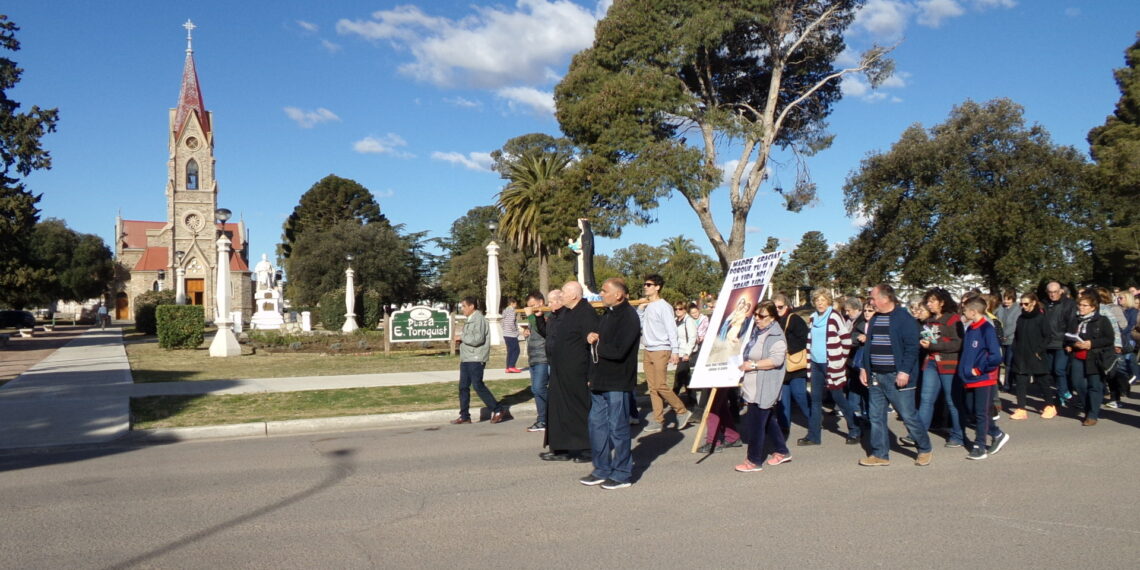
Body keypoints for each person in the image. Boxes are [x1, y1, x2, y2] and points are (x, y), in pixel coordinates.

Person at [858, 284, 933, 467]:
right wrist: (864, 368)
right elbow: (869, 346)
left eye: (873, 298)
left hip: (897, 376)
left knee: (908, 415)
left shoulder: (904, 318)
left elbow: (911, 347)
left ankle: (924, 448)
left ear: (885, 299)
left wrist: (904, 371)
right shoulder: (875, 319)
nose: (871, 302)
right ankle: (880, 454)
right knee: (876, 416)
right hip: (876, 375)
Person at [580, 278, 641, 490]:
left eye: (605, 291)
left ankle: (623, 473)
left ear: (619, 294)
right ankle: (601, 468)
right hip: (599, 379)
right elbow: (599, 342)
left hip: (618, 380)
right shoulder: (607, 314)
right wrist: (592, 336)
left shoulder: (629, 317)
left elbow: (619, 350)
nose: (601, 294)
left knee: (618, 428)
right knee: (596, 426)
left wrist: (598, 342)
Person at [541, 281, 597, 461]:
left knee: (578, 410)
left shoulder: (586, 312)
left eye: (563, 292)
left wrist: (591, 374)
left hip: (577, 373)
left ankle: (586, 448)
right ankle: (561, 448)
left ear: (574, 295)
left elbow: (593, 346)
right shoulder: (567, 313)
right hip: (560, 371)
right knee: (558, 410)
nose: (561, 296)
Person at [734, 300, 792, 472]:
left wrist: (752, 365)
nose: (757, 319)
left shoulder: (776, 336)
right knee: (767, 422)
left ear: (772, 317)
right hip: (752, 386)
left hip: (765, 387)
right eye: (755, 315)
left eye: (762, 316)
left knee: (756, 424)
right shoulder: (756, 332)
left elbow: (776, 360)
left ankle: (754, 460)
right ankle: (782, 451)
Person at [802, 289, 859, 446]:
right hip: (815, 363)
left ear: (828, 301)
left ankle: (854, 429)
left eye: (822, 300)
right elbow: (810, 341)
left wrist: (839, 361)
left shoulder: (834, 316)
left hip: (831, 364)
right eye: (817, 300)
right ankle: (813, 436)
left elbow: (846, 340)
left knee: (838, 397)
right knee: (815, 400)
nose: (820, 303)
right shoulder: (813, 318)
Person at [638, 274, 692, 433]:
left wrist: (675, 351)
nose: (645, 287)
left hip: (662, 349)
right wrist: (640, 311)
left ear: (657, 287)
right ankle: (658, 419)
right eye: (645, 284)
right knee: (652, 387)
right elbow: (642, 326)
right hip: (648, 349)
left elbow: (671, 330)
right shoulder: (647, 306)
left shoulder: (664, 306)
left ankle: (681, 410)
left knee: (661, 385)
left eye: (649, 284)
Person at [958, 297, 1010, 460]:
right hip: (968, 378)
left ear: (973, 311)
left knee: (981, 412)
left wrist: (979, 369)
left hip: (983, 378)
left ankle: (979, 445)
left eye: (965, 309)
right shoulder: (970, 328)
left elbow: (995, 356)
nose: (963, 312)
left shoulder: (986, 328)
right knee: (971, 410)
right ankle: (997, 433)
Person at [915, 288, 965, 448]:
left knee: (952, 401)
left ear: (942, 302)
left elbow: (958, 343)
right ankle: (919, 434)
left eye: (932, 301)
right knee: (926, 399)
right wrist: (925, 344)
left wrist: (935, 345)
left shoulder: (953, 319)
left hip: (948, 364)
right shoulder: (929, 321)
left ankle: (958, 435)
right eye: (927, 301)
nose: (929, 304)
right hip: (931, 362)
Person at [450, 297, 510, 425]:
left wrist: (461, 337)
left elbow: (478, 339)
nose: (462, 309)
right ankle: (464, 415)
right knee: (463, 387)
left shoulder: (479, 320)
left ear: (472, 306)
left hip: (476, 358)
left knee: (477, 385)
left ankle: (498, 409)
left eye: (464, 306)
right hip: (466, 358)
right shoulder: (469, 320)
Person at [1065, 293, 1115, 426]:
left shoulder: (1102, 320)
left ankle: (1092, 414)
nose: (1081, 308)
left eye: (1084, 305)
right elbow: (1068, 336)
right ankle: (1088, 408)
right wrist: (1071, 344)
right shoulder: (1075, 320)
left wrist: (1091, 344)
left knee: (1095, 386)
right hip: (1078, 356)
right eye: (1079, 305)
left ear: (1093, 307)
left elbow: (1109, 339)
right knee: (1078, 384)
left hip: (1095, 357)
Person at [1009, 293, 1056, 419]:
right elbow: (1017, 336)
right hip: (1021, 354)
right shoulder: (1021, 318)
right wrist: (1015, 348)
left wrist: (1039, 351)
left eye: (1026, 304)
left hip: (1036, 355)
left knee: (1042, 381)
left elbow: (1048, 336)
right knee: (1020, 382)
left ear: (1033, 303)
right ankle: (1021, 408)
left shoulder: (1040, 318)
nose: (1023, 306)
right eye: (1021, 304)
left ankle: (1050, 406)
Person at [774, 293, 810, 435]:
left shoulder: (794, 319)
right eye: (774, 307)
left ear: (787, 306)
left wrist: (787, 348)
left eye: (780, 307)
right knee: (783, 399)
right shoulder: (773, 321)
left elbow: (803, 339)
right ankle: (784, 426)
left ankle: (813, 419)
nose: (777, 310)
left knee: (799, 394)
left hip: (795, 365)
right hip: (780, 366)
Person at [1043, 281, 1076, 405]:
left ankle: (1064, 391)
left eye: (1055, 292)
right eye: (1050, 292)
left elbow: (1072, 323)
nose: (1052, 295)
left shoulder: (1069, 304)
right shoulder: (1045, 304)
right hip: (1048, 342)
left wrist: (1069, 342)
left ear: (1061, 291)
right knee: (1051, 370)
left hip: (1062, 342)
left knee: (1059, 369)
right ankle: (1061, 394)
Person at [522, 291, 550, 432]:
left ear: (541, 302)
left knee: (540, 388)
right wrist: (527, 332)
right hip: (533, 357)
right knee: (535, 390)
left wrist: (531, 316)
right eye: (529, 306)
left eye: (533, 305)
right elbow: (535, 330)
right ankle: (543, 418)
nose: (531, 308)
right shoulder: (533, 316)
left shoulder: (547, 314)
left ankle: (545, 419)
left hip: (543, 358)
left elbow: (543, 330)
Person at [671, 301, 698, 405]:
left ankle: (673, 399)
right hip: (679, 352)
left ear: (685, 309)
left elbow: (692, 338)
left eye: (680, 309)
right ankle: (692, 401)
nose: (678, 311)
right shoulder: (675, 320)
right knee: (686, 378)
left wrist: (687, 353)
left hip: (687, 352)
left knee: (679, 376)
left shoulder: (689, 321)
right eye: (676, 309)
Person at [995, 289, 1020, 391]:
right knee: (1000, 362)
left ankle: (1007, 384)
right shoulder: (1000, 308)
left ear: (1013, 299)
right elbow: (996, 320)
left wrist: (1005, 335)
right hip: (1000, 339)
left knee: (1009, 363)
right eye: (1004, 299)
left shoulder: (1018, 309)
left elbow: (1015, 324)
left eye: (1008, 299)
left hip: (1011, 339)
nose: (1006, 301)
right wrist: (1000, 335)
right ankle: (997, 382)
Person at [502, 297, 522, 373]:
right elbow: (511, 322)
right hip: (511, 334)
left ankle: (508, 367)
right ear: (512, 303)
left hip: (506, 333)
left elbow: (502, 322)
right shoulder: (511, 311)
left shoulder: (505, 311)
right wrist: (516, 331)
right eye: (515, 303)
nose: (516, 305)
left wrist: (504, 329)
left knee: (510, 351)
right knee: (516, 350)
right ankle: (512, 366)